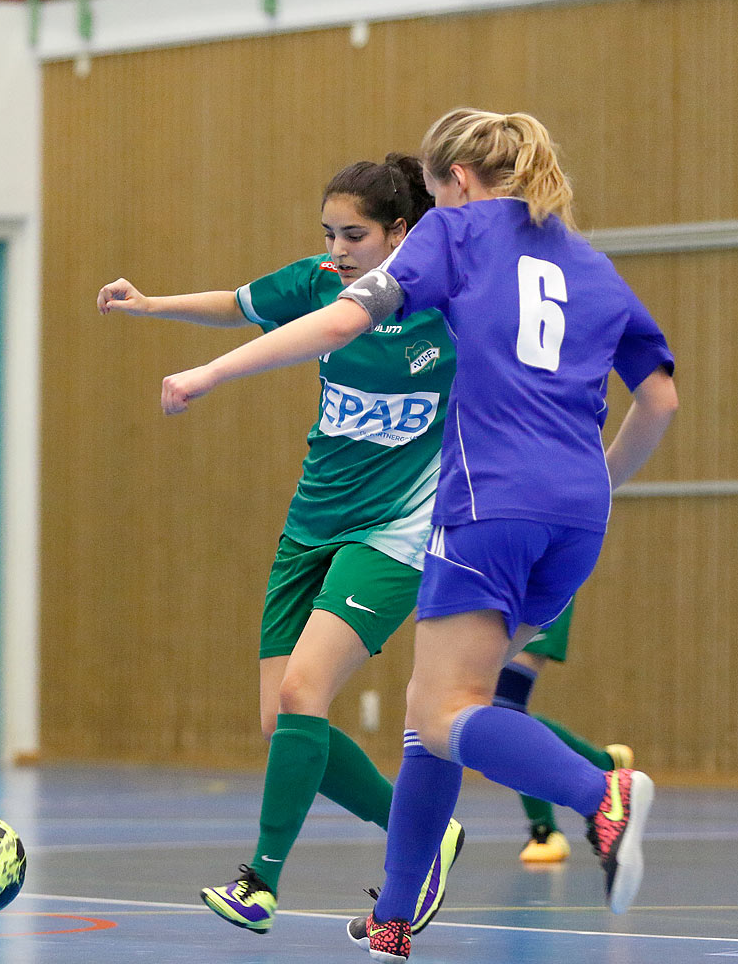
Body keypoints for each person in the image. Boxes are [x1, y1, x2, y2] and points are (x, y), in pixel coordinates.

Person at [157, 107, 679, 962]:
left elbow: (338, 323)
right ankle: (396, 918)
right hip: (577, 512)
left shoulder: (457, 232)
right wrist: (602, 480)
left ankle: (602, 793)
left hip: (487, 502)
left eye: (434, 191)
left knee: (449, 709)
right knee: (431, 708)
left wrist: (211, 371)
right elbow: (659, 401)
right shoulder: (592, 264)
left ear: (457, 183)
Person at [97, 155, 464, 936]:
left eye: (355, 235)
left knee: (305, 694)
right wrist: (150, 303)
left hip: (394, 531)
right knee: (281, 720)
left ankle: (259, 882)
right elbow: (235, 305)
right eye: (329, 232)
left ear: (401, 233)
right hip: (311, 521)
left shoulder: (450, 304)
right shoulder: (317, 282)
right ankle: (422, 829)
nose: (337, 249)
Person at [495, 601, 636, 864]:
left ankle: (544, 829)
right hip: (485, 585)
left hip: (533, 587)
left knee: (505, 707)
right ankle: (605, 765)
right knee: (486, 712)